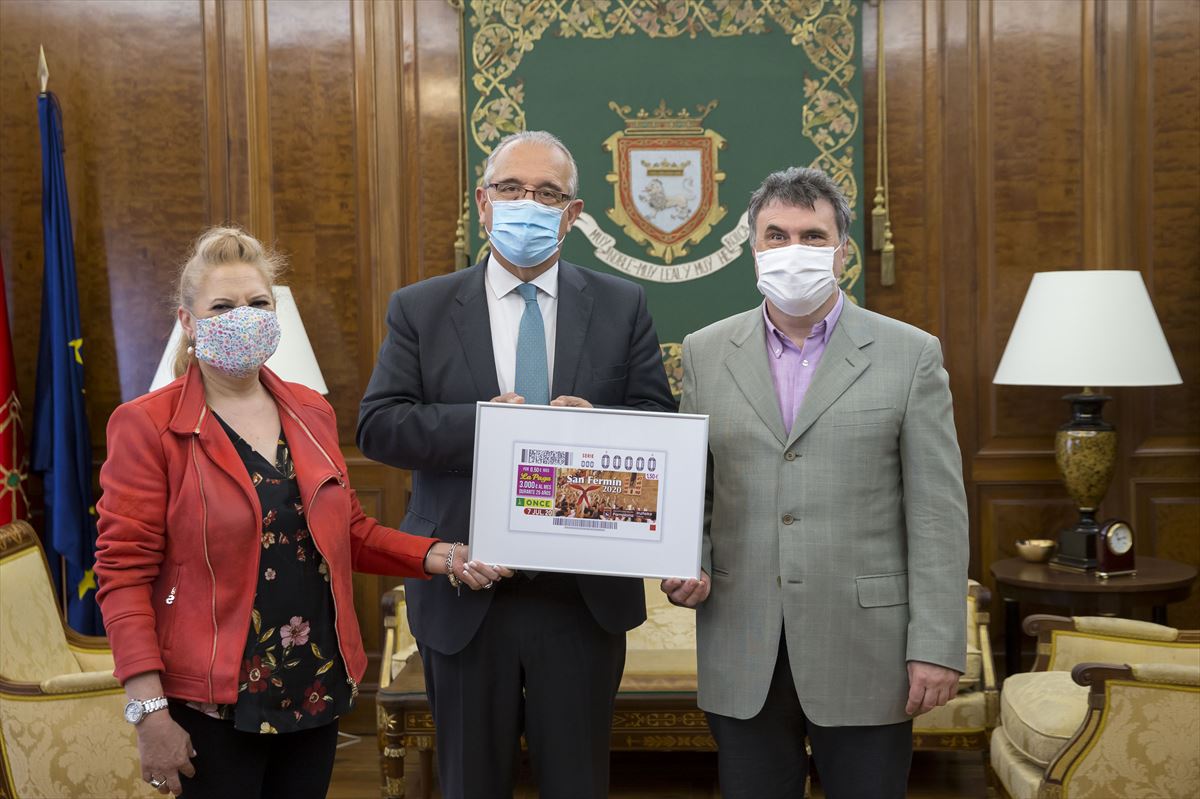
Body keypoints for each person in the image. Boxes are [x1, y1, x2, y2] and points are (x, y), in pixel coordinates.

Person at [94, 227, 506, 799]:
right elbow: (123, 575)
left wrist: (440, 555)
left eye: (258, 303)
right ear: (188, 322)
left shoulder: (309, 410)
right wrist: (148, 711)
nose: (244, 316)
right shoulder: (147, 426)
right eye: (223, 306)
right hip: (213, 699)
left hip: (314, 682)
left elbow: (349, 531)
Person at [357, 130, 676, 798]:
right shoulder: (422, 306)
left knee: (578, 783)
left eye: (547, 193)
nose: (527, 203)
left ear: (573, 212)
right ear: (483, 201)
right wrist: (486, 422)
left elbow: (659, 429)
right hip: (465, 585)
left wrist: (599, 432)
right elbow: (379, 425)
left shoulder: (622, 307)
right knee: (470, 782)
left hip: (580, 596)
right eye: (511, 189)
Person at [661, 167, 968, 798]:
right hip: (743, 644)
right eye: (776, 235)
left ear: (842, 250)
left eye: (811, 235)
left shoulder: (911, 355)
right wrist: (686, 558)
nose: (792, 250)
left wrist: (937, 645)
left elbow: (936, 515)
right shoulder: (706, 352)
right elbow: (696, 490)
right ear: (753, 246)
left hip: (868, 649)